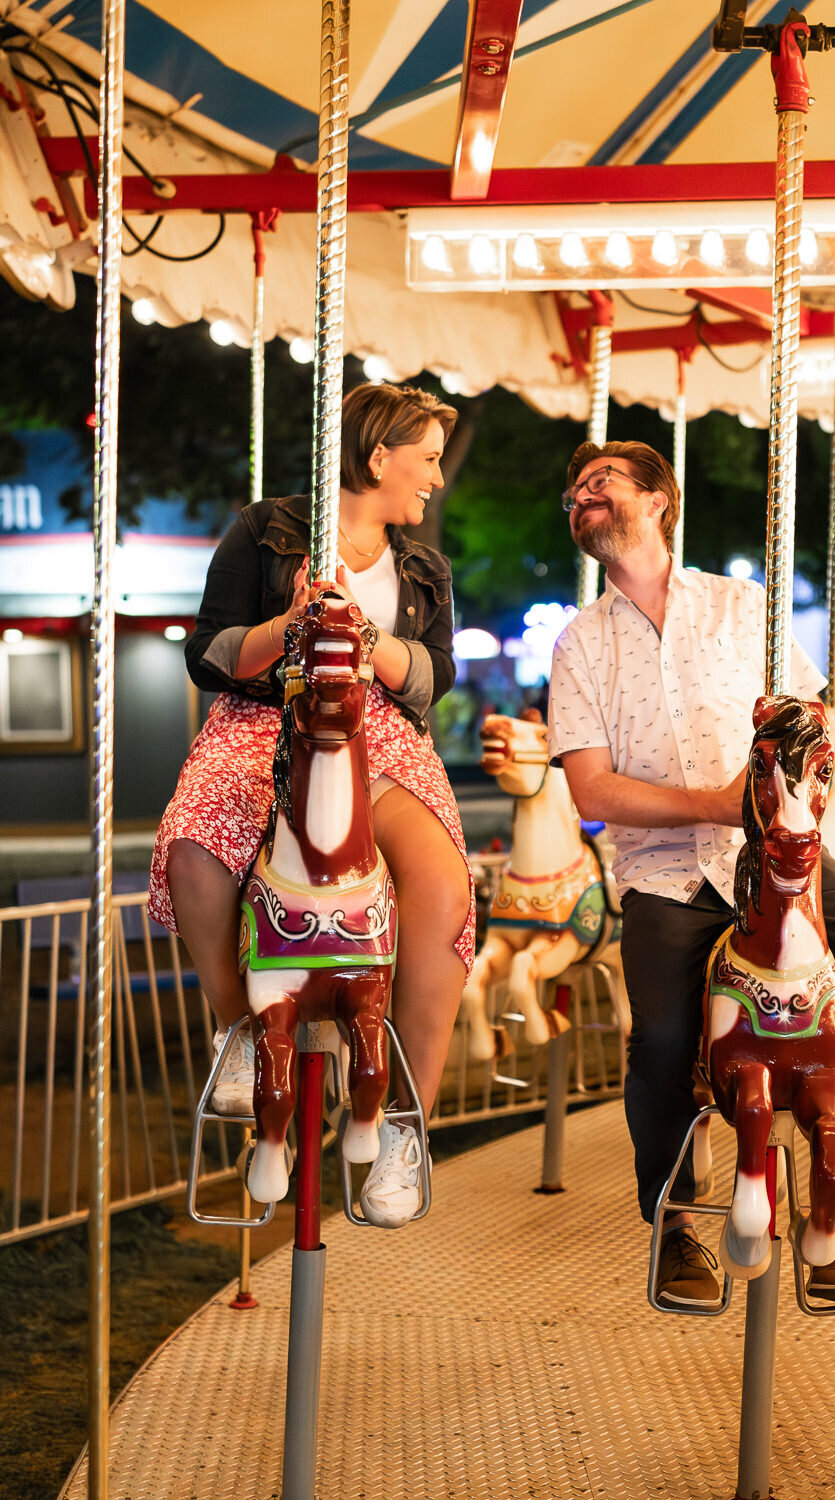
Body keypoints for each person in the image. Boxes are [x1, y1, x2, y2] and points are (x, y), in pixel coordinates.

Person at [547, 440, 835, 1305]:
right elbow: (590, 787)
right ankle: (675, 1224)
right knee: (655, 1043)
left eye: (599, 484)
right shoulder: (579, 645)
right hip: (664, 876)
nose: (580, 499)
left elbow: (813, 719)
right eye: (572, 494)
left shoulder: (740, 609)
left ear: (658, 500)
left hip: (779, 861)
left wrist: (790, 763)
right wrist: (718, 806)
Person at [149, 382, 474, 1228]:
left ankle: (404, 1122)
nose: (434, 479)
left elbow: (435, 678)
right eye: (427, 458)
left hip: (377, 735)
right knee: (195, 839)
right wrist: (289, 626)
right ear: (377, 455)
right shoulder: (265, 530)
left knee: (442, 884)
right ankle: (247, 1038)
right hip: (263, 721)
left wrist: (373, 647)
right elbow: (210, 656)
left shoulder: (419, 566)